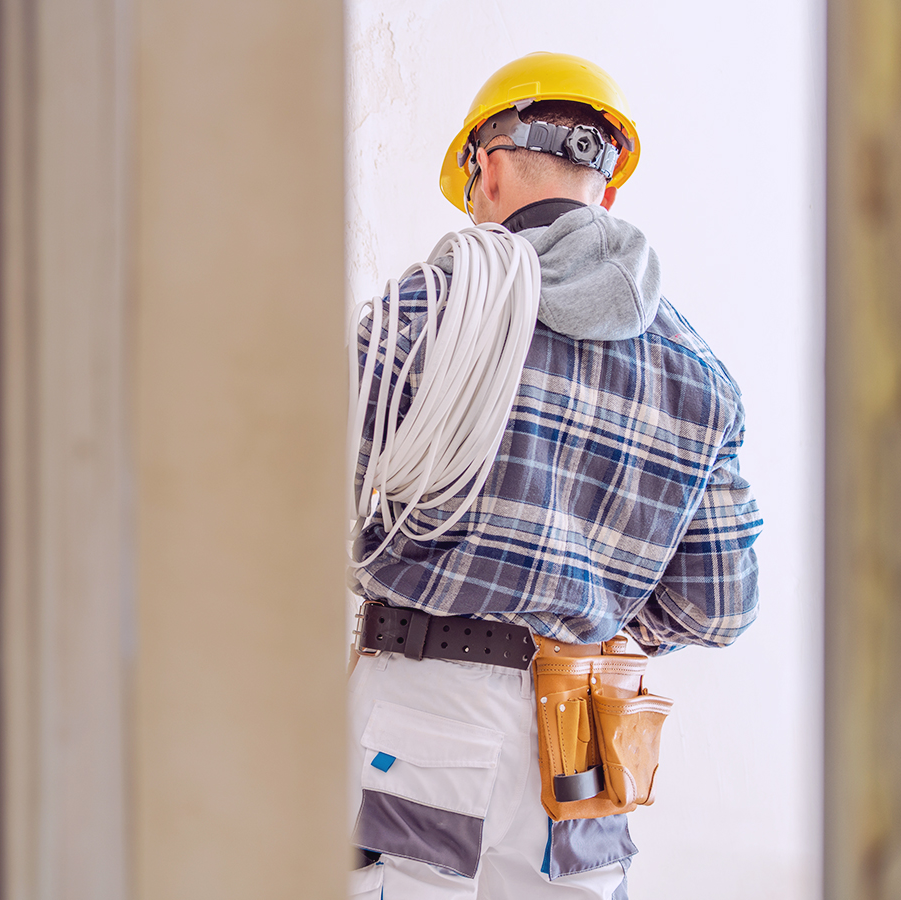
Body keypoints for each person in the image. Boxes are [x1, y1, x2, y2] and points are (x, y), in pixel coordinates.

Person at [347, 52, 762, 900]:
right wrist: (585, 602)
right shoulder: (702, 379)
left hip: (421, 721)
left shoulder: (424, 312)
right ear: (604, 190)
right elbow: (718, 607)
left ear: (489, 170)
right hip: (581, 750)